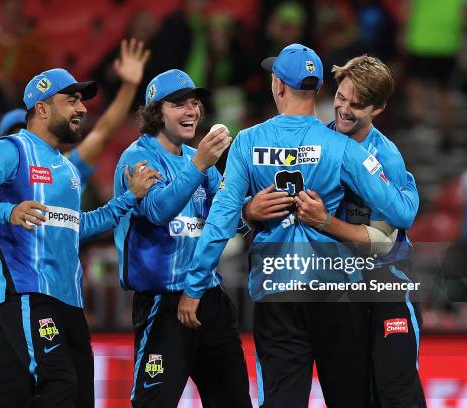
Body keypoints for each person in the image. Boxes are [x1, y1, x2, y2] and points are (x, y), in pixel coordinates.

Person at [0, 25, 151, 407]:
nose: (82, 108)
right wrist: (9, 211)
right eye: (72, 100)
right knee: (57, 385)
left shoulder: (67, 168)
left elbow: (80, 227)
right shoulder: (9, 149)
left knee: (78, 397)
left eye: (82, 100)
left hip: (69, 300)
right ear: (41, 108)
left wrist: (128, 199)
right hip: (27, 294)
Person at [179, 44, 419, 407]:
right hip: (338, 292)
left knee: (282, 399)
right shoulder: (341, 147)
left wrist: (194, 287)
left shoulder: (247, 142)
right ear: (321, 89)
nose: (344, 108)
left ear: (277, 84)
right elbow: (401, 215)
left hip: (279, 290)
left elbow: (218, 224)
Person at [246, 55, 426, 407]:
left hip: (388, 288)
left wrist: (325, 222)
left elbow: (384, 240)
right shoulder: (319, 141)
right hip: (341, 293)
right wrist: (249, 210)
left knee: (395, 389)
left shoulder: (385, 156)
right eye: (341, 98)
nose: (343, 110)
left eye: (357, 105)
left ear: (379, 108)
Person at [113, 69, 251, 407]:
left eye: (194, 103)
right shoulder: (137, 158)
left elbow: (223, 216)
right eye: (179, 104)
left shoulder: (195, 159)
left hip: (208, 295)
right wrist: (201, 163)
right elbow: (159, 211)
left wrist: (250, 211)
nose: (192, 111)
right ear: (156, 111)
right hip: (164, 302)